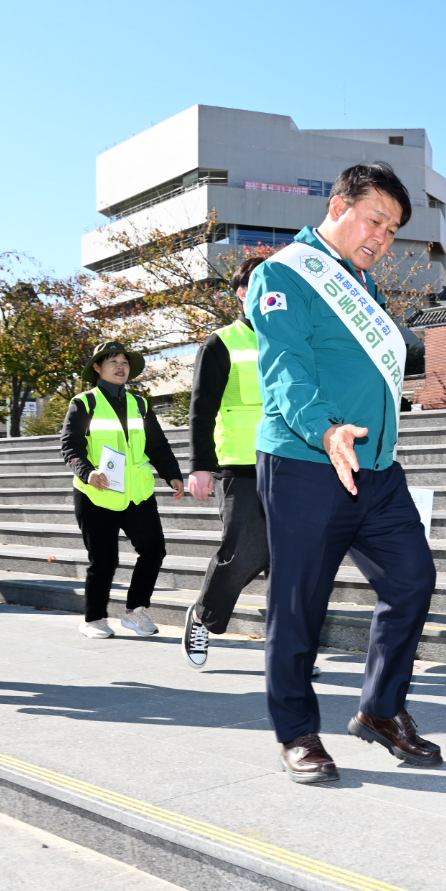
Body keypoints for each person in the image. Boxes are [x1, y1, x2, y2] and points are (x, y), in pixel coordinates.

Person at [247, 161, 439, 785]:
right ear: (338, 206)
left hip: (377, 469)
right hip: (307, 463)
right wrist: (326, 428)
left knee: (412, 581)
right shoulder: (283, 274)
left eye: (393, 230)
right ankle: (297, 733)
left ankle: (381, 710)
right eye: (375, 220)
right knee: (298, 605)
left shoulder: (364, 287)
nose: (382, 238)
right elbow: (286, 368)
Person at [183, 253, 311, 672]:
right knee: (244, 550)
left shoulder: (297, 339)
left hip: (294, 460)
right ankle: (204, 614)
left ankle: (288, 649)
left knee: (291, 559)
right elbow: (202, 408)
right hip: (241, 462)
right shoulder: (222, 343)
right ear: (243, 294)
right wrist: (200, 465)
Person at [59, 343, 184, 639]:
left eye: (124, 362)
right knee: (104, 560)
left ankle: (135, 611)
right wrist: (88, 473)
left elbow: (157, 445)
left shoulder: (139, 404)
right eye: (112, 361)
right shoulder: (84, 402)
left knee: (153, 550)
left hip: (136, 493)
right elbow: (70, 447)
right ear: (98, 369)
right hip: (96, 494)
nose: (120, 366)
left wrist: (173, 475)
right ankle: (93, 619)